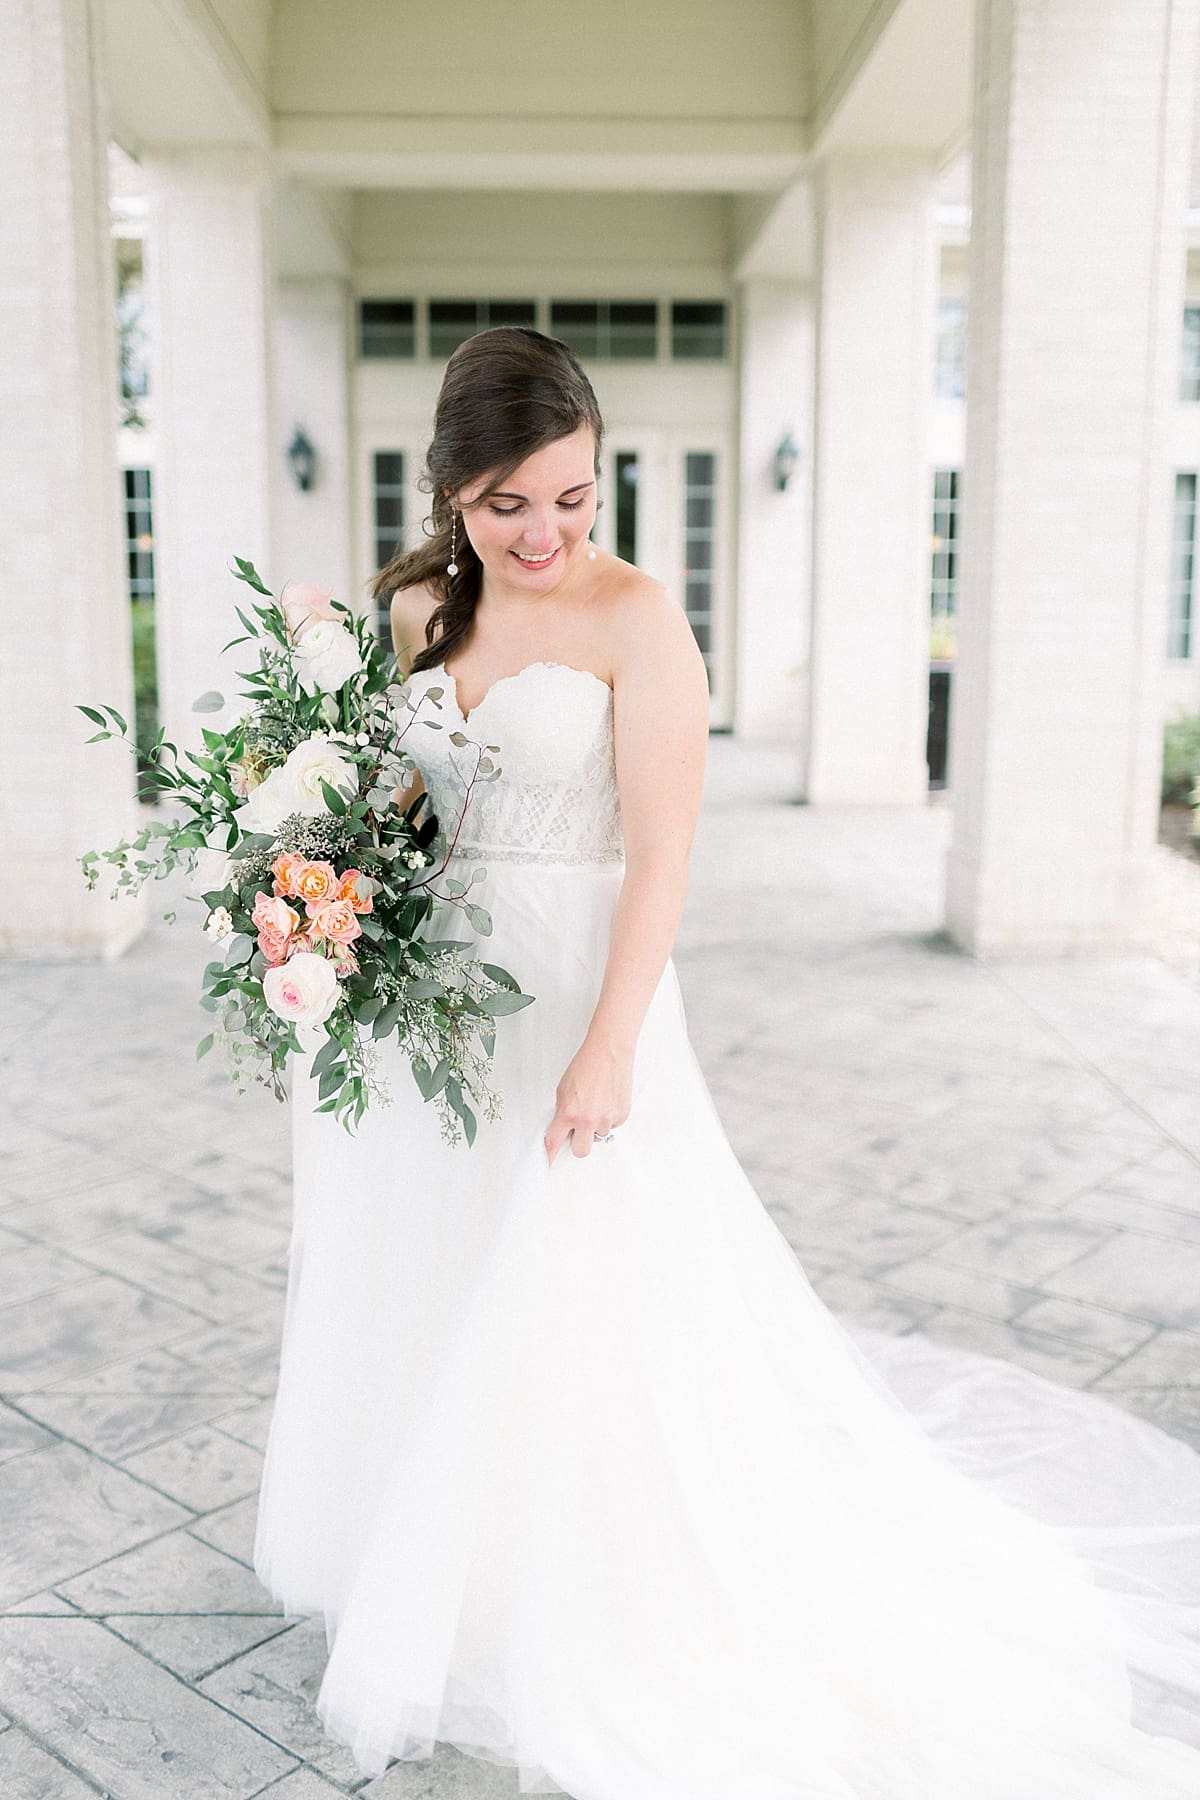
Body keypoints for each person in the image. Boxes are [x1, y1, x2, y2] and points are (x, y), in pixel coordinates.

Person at [254, 327, 1200, 1800]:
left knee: (576, 1287)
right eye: (508, 503)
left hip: (579, 982)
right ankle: (440, 1555)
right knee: (437, 1264)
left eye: (574, 497)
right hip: (435, 995)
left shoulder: (641, 622)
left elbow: (665, 857)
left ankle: (580, 1580)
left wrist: (609, 1043)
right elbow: (402, 804)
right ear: (451, 492)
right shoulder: (417, 611)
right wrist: (317, 904)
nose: (547, 533)